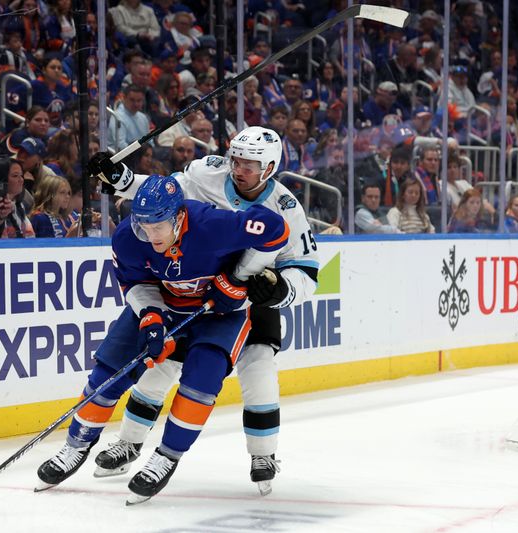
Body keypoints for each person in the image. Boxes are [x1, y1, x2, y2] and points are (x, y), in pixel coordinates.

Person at [89, 125, 319, 495]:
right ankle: (130, 442)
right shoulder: (206, 172)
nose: (239, 168)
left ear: (270, 167)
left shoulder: (286, 208)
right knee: (161, 362)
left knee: (258, 365)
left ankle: (263, 453)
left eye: (250, 163)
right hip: (192, 285)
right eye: (237, 159)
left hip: (246, 293)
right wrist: (122, 179)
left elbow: (307, 272)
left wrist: (277, 290)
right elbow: (161, 193)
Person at [36, 173, 290, 503]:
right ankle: (76, 445)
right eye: (144, 226)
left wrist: (237, 278)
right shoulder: (128, 237)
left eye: (158, 226)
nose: (151, 235)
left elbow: (276, 229)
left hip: (219, 314)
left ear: (180, 216)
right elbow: (135, 284)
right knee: (109, 371)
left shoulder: (212, 224)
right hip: (165, 307)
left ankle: (167, 456)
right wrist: (152, 319)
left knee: (202, 380)